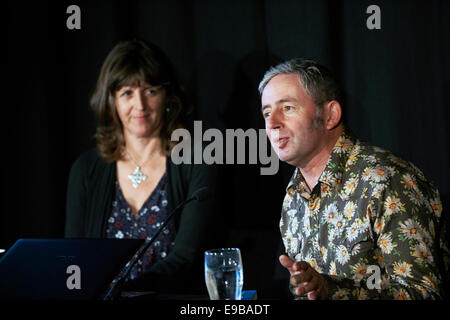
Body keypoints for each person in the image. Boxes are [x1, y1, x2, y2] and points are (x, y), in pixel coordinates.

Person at [258, 58, 449, 299]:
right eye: (267, 112)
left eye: (287, 108)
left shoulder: (388, 180)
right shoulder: (293, 196)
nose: (273, 123)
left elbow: (426, 294)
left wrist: (333, 291)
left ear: (330, 115)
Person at [65, 39, 223, 295]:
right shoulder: (85, 170)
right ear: (111, 100)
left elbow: (186, 258)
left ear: (168, 96)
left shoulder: (197, 160)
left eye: (150, 90)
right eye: (127, 93)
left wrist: (126, 293)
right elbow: (73, 258)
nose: (140, 105)